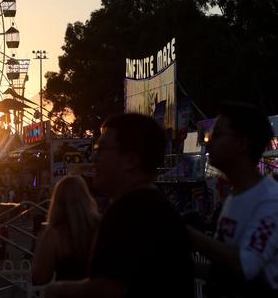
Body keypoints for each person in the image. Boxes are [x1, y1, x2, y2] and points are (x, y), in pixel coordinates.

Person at [45, 113, 194, 298]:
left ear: (130, 160)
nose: (93, 158)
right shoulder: (154, 208)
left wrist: (56, 290)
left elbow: (108, 289)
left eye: (100, 149)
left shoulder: (128, 213)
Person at [189, 102, 278, 295]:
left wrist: (186, 234)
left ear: (241, 143)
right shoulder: (235, 195)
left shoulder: (271, 201)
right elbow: (225, 272)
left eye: (218, 135)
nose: (209, 142)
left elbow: (245, 266)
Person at [32, 175, 100, 285]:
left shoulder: (55, 234)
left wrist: (40, 244)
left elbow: (40, 277)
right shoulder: (100, 225)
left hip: (66, 292)